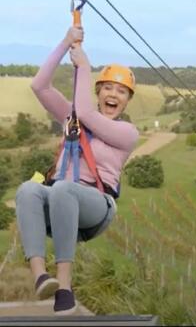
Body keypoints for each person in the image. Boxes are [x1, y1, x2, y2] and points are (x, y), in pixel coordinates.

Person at [15, 26, 139, 315]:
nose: (113, 94)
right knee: (29, 189)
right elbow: (39, 86)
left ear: (127, 101)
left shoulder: (126, 132)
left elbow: (85, 113)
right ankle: (40, 276)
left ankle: (65, 289)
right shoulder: (71, 116)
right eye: (108, 87)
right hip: (60, 203)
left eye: (121, 91)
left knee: (62, 188)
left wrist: (83, 66)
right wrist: (65, 43)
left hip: (96, 205)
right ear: (98, 91)